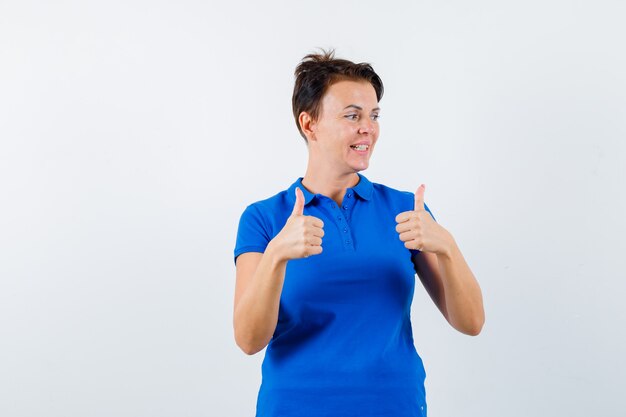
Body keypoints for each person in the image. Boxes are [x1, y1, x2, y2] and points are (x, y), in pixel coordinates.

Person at [233, 49, 485, 417]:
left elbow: (471, 322)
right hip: (295, 407)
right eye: (352, 115)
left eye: (374, 115)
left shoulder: (404, 210)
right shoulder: (264, 218)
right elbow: (249, 340)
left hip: (394, 406)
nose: (368, 127)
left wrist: (447, 246)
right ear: (309, 124)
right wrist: (275, 256)